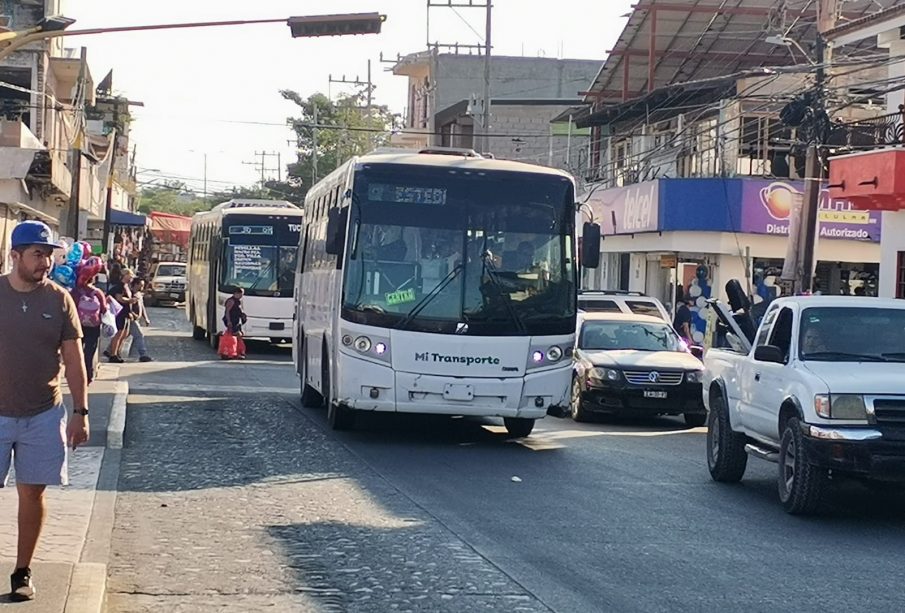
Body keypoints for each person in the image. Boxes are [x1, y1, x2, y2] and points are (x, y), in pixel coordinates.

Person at [0, 221, 90, 602]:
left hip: (43, 412)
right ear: (15, 255)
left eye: (49, 255)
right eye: (38, 254)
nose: (45, 262)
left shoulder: (58, 299)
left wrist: (81, 411)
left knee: (32, 493)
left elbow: (73, 358)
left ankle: (22, 571)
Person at [71, 272, 107, 384]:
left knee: (77, 352)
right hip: (93, 325)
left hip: (78, 324)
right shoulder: (97, 293)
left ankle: (75, 375)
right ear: (93, 280)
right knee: (89, 352)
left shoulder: (75, 292)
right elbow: (104, 309)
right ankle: (88, 376)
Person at [105, 268, 137, 363]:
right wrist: (130, 300)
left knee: (125, 333)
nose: (131, 277)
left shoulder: (127, 286)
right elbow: (119, 298)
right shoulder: (120, 286)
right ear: (125, 275)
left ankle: (116, 351)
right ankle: (113, 354)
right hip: (119, 312)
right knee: (119, 333)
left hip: (126, 312)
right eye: (130, 275)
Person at [127, 278, 153, 363]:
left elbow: (142, 307)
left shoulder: (139, 294)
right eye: (141, 285)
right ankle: (143, 355)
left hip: (136, 319)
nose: (142, 287)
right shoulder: (130, 294)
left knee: (124, 335)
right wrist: (132, 313)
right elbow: (127, 306)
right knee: (139, 335)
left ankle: (109, 351)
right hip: (131, 319)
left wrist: (146, 318)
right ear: (135, 284)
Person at [221, 287, 248, 360]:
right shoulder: (231, 301)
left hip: (236, 321)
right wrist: (229, 321)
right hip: (232, 321)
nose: (242, 296)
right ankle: (238, 352)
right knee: (238, 336)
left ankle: (235, 352)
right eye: (241, 294)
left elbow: (239, 311)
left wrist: (243, 315)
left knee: (237, 336)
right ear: (236, 293)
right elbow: (227, 312)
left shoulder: (238, 301)